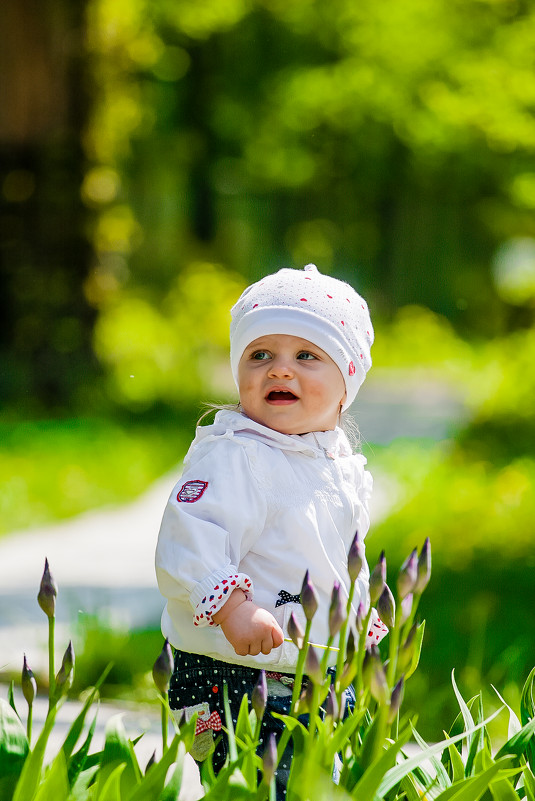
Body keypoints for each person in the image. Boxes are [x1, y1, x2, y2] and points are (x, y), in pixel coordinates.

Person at [155, 263, 387, 797]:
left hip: (312, 667)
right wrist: (233, 608)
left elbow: (328, 557)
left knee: (316, 781)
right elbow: (190, 536)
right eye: (260, 355)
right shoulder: (234, 455)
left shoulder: (336, 465)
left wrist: (354, 616)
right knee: (261, 786)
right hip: (230, 666)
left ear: (346, 382)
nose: (279, 371)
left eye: (306, 355)